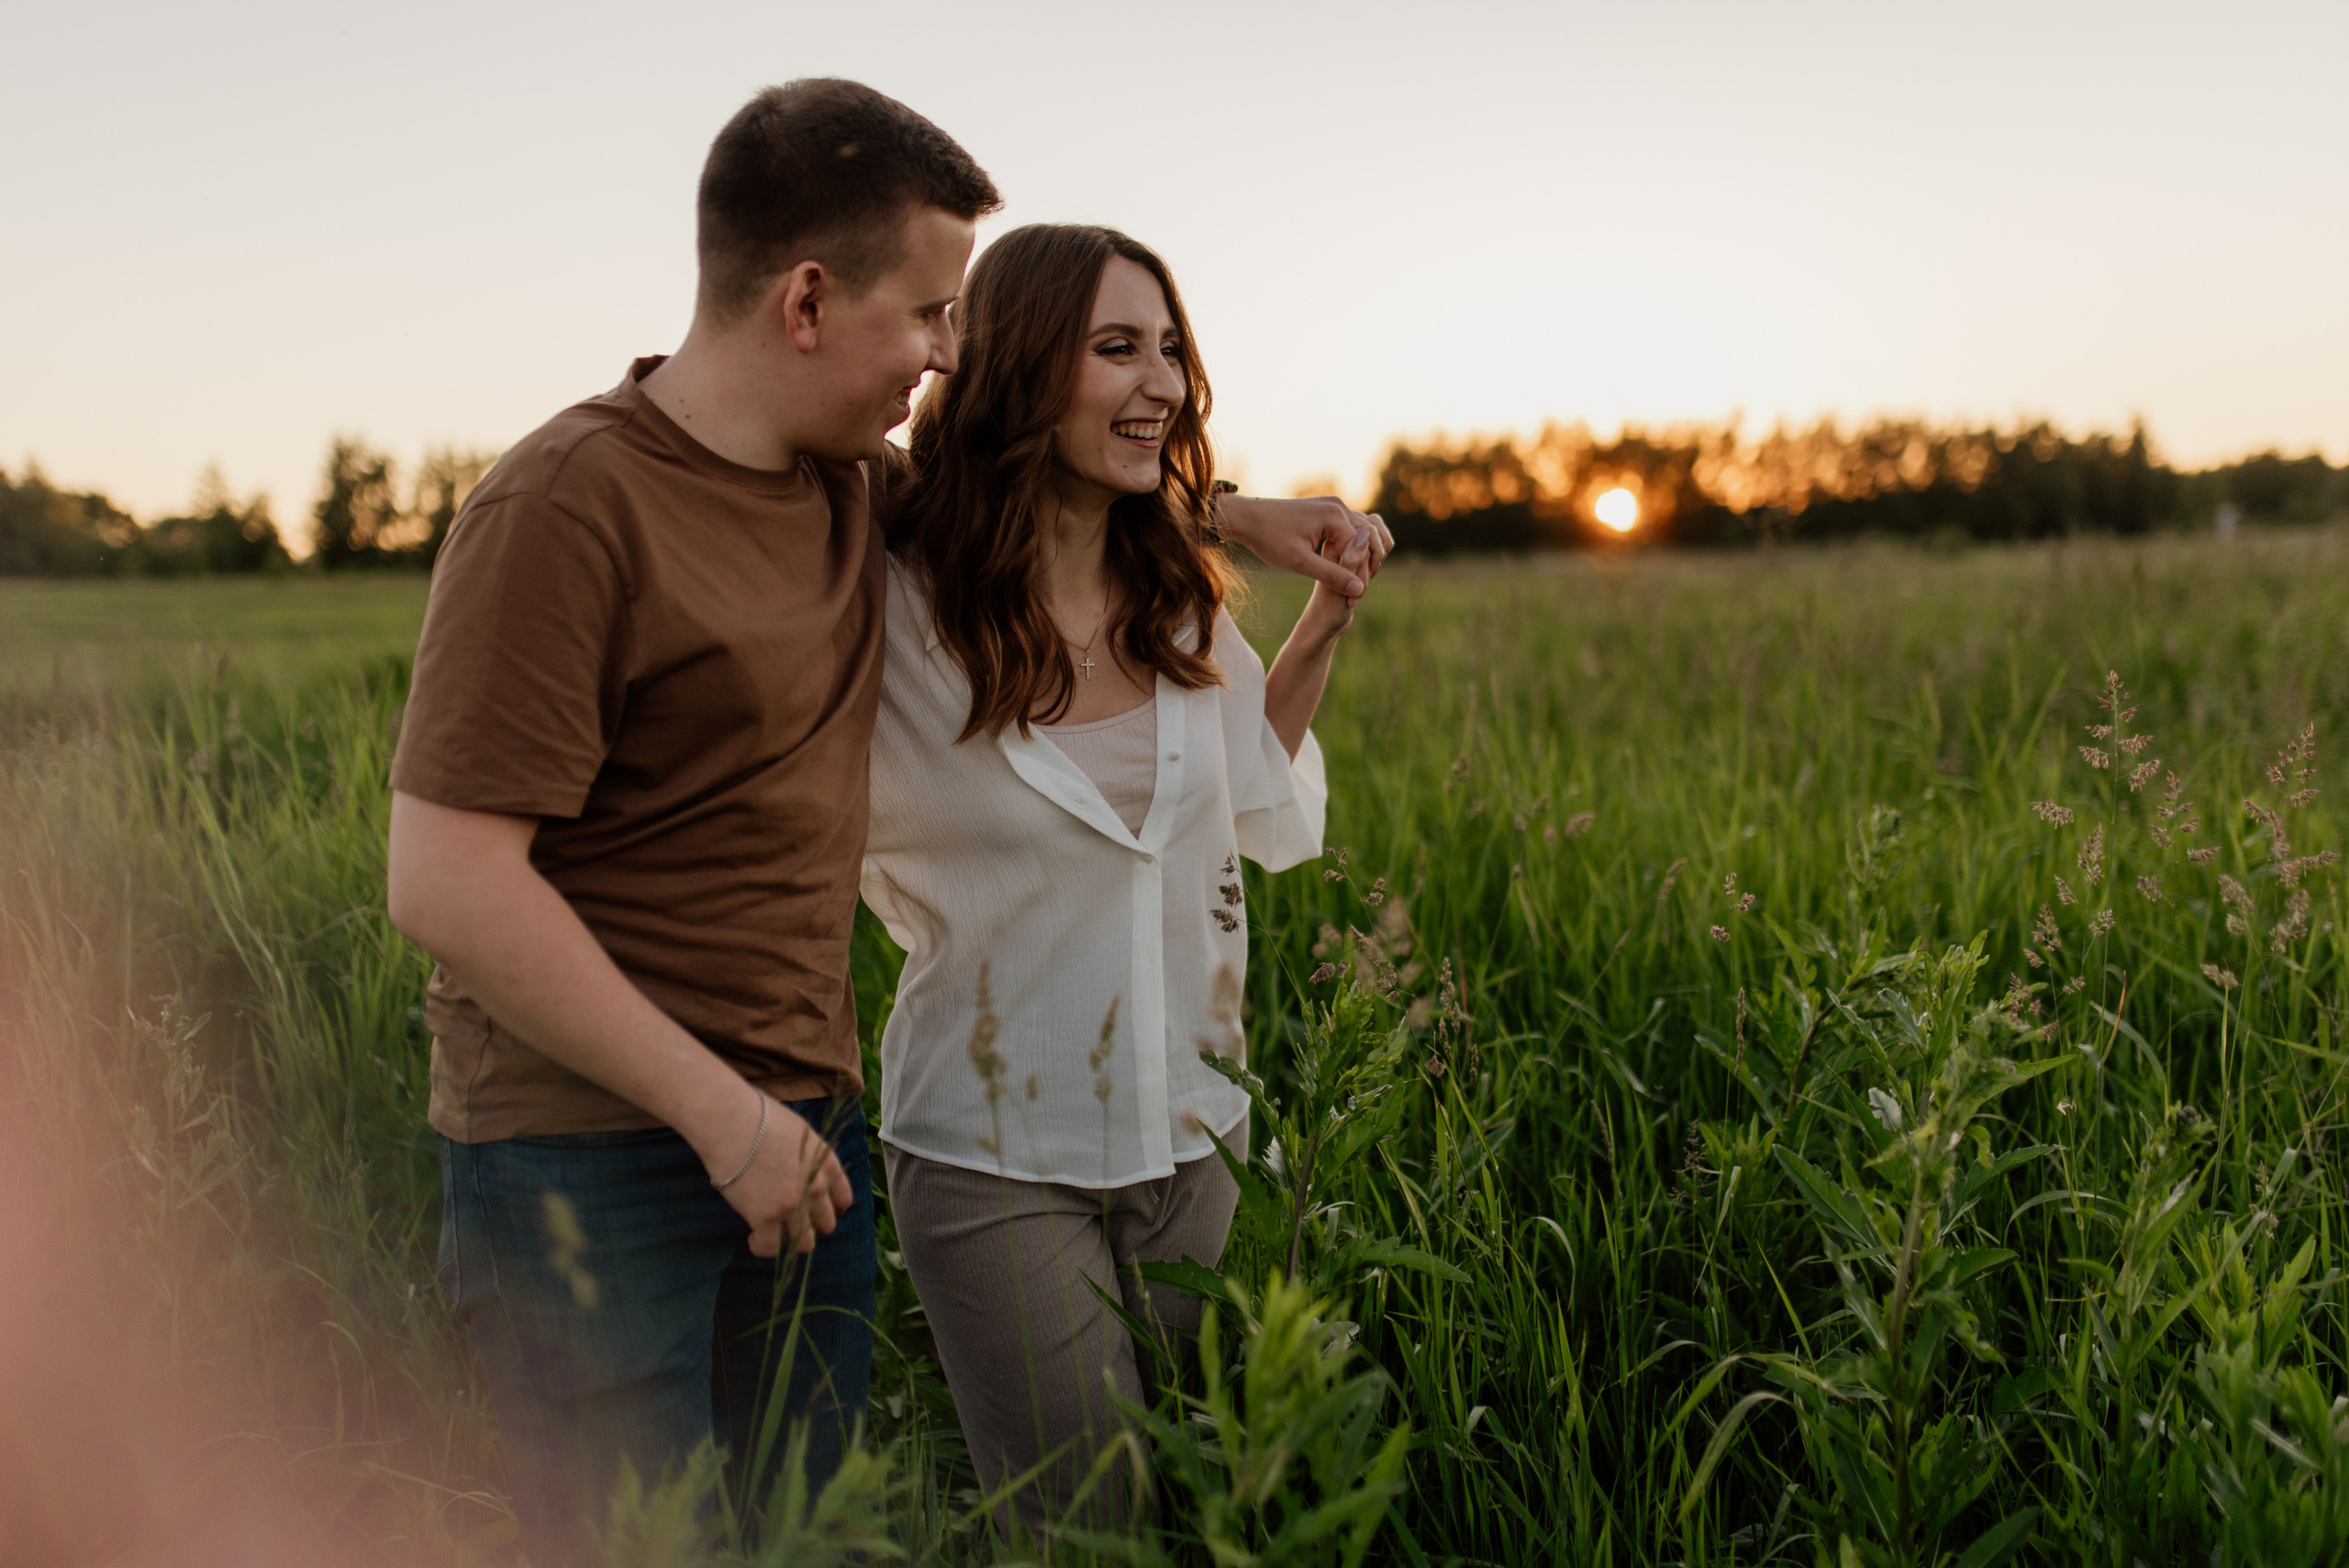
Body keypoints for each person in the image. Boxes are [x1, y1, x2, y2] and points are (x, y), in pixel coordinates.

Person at [384, 81, 1386, 1562]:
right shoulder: (568, 503)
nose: (946, 353)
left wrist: (1230, 509)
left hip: (809, 1135)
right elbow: (449, 878)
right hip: (589, 1154)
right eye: (929, 315)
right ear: (805, 298)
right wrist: (721, 1116)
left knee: (812, 1539)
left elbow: (1034, 484)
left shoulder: (855, 490)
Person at [860, 222, 1377, 1530]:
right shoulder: (894, 604)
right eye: (1114, 348)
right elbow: (819, 461)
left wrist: (1315, 619)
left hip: (1202, 1136)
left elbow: (1250, 797)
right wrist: (1231, 502)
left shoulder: (1180, 601)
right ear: (1021, 366)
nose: (1161, 381)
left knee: (1225, 1510)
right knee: (1085, 1528)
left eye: (1169, 350)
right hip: (994, 1149)